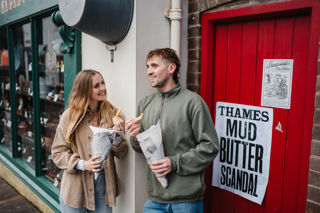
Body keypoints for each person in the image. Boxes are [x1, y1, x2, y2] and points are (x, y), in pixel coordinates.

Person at [125, 48, 219, 213]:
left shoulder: (193, 102)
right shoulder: (145, 103)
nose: (149, 71)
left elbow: (210, 146)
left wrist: (173, 163)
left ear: (171, 68)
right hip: (154, 199)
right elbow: (142, 149)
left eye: (154, 66)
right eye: (147, 67)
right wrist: (134, 137)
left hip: (186, 200)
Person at [52, 69, 128, 213]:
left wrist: (117, 136)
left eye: (103, 83)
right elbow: (58, 152)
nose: (103, 88)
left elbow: (123, 152)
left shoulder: (112, 113)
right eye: (97, 86)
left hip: (103, 189)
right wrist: (82, 164)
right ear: (85, 90)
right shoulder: (69, 116)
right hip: (75, 190)